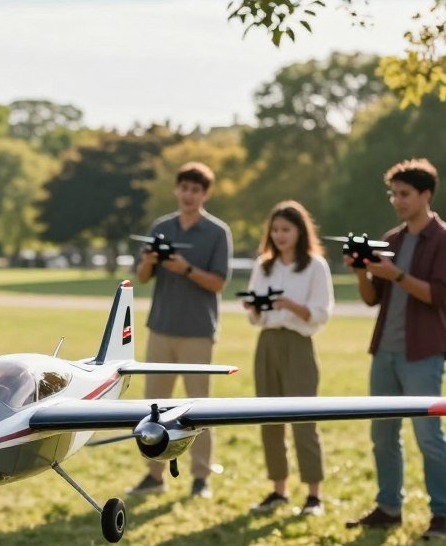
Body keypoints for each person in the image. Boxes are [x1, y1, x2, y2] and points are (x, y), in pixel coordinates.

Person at [345, 158, 446, 539]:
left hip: (423, 353)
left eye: (405, 194)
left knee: (428, 436)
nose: (397, 201)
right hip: (385, 351)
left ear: (425, 195)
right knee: (383, 434)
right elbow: (370, 300)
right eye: (393, 194)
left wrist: (395, 274)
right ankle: (388, 507)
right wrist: (362, 272)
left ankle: (442, 515)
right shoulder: (392, 239)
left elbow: (441, 297)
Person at [129, 161, 233, 498]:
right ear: (177, 190)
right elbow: (142, 278)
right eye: (184, 188)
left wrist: (185, 268)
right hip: (160, 327)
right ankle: (154, 476)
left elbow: (218, 283)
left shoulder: (218, 232)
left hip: (198, 331)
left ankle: (201, 477)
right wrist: (150, 260)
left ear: (205, 194)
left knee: (198, 408)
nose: (188, 195)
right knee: (153, 407)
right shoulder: (161, 226)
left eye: (195, 189)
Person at [244, 201, 334, 516]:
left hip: (298, 344)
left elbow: (321, 314)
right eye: (276, 229)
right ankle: (278, 490)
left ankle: (313, 496)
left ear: (300, 231)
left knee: (304, 420)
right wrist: (254, 308)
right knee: (269, 419)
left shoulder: (315, 266)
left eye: (287, 229)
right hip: (267, 343)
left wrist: (290, 305)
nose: (280, 235)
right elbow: (255, 316)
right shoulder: (263, 265)